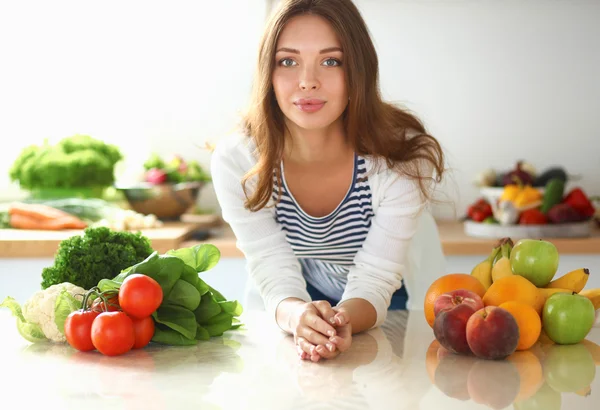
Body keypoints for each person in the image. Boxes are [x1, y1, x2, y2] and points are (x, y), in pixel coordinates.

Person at [210, 0, 445, 362]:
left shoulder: (401, 159)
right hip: (287, 300)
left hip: (383, 303)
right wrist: (297, 315)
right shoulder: (239, 160)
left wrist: (338, 322)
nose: (307, 81)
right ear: (267, 73)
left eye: (331, 61)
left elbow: (377, 276)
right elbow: (270, 262)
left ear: (358, 71)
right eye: (287, 61)